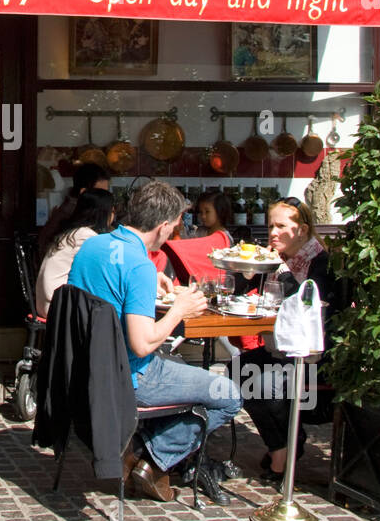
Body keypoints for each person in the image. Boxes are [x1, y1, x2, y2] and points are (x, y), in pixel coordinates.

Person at [68, 180, 241, 504]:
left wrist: (149, 280)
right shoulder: (138, 265)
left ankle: (131, 450)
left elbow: (110, 288)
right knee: (229, 394)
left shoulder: (94, 245)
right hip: (129, 377)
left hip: (86, 367)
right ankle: (150, 460)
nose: (175, 230)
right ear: (163, 226)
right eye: (175, 225)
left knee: (181, 366)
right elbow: (142, 344)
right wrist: (179, 310)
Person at [238, 196, 341, 482]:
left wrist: (276, 270)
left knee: (260, 380)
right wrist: (252, 269)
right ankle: (283, 445)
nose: (272, 233)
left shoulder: (320, 263)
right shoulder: (281, 260)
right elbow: (243, 289)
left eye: (281, 226)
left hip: (317, 355)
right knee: (240, 368)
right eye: (271, 225)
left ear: (303, 230)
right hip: (285, 349)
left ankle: (284, 451)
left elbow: (306, 305)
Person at [34, 188, 115, 318]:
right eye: (112, 211)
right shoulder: (86, 236)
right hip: (56, 306)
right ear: (103, 213)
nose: (113, 216)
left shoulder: (72, 232)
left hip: (45, 302)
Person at [38, 162, 111, 256]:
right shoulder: (74, 216)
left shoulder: (70, 209)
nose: (105, 199)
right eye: (100, 194)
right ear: (83, 192)